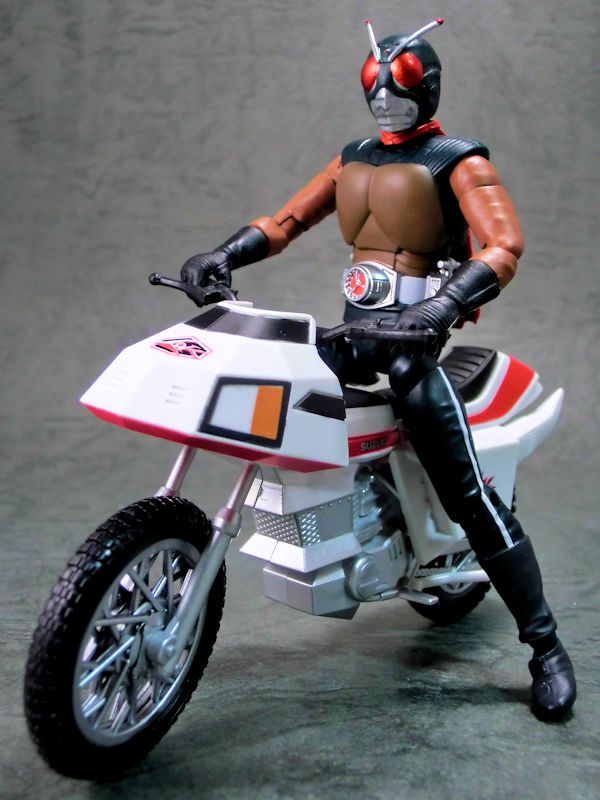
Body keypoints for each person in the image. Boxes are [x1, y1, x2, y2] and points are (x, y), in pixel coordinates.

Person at [180, 19, 576, 720]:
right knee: (275, 397)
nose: (387, 96)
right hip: (352, 334)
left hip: (411, 347)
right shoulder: (352, 159)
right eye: (376, 83)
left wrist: (442, 305)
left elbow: (504, 244)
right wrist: (226, 254)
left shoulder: (457, 160)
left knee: (468, 494)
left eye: (403, 83)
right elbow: (286, 222)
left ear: (429, 86)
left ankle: (545, 646)